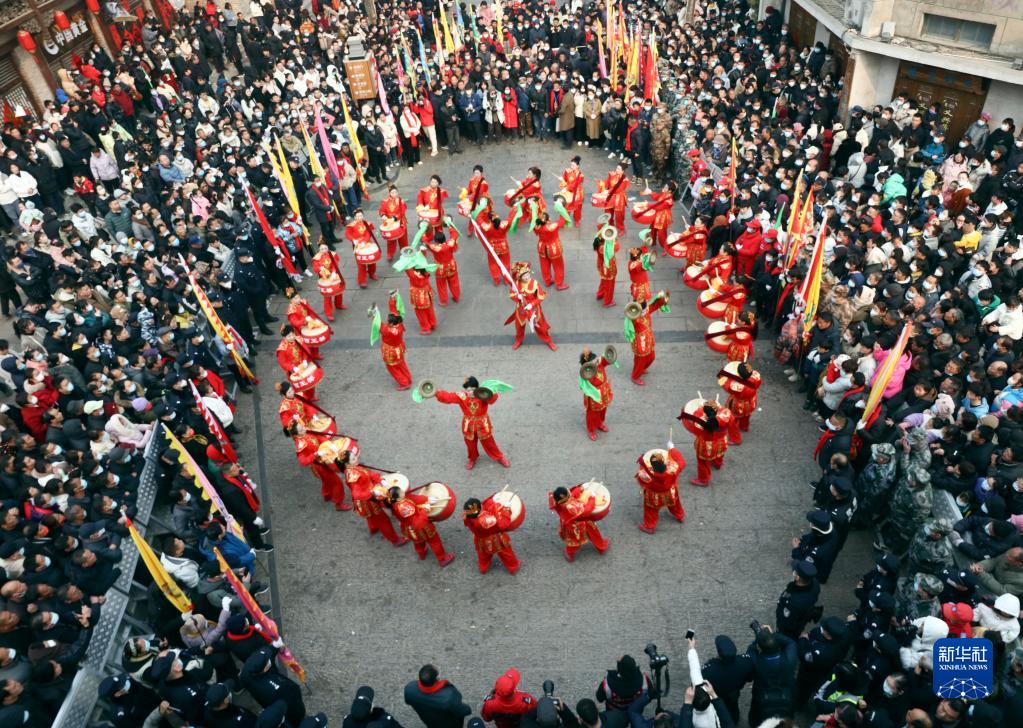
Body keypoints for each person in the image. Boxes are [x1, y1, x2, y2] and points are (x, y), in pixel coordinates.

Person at [433, 377, 510, 469]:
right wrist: (436, 393)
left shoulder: (482, 394)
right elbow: (448, 397)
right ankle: (472, 458)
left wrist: (491, 392)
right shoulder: (462, 396)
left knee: (489, 443)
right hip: (468, 426)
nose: (470, 392)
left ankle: (499, 457)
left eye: (473, 389)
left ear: (477, 388)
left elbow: (492, 400)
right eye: (468, 390)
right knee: (470, 444)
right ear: (465, 390)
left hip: (483, 425)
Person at [387, 486, 455, 567]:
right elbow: (417, 522)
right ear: (397, 497)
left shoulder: (395, 503)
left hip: (409, 529)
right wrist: (425, 510)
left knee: (418, 542)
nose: (403, 492)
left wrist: (423, 505)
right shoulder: (404, 507)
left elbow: (413, 510)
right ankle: (442, 559)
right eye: (401, 492)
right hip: (420, 529)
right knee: (434, 541)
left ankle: (421, 553)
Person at [634, 442, 686, 533]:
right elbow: (682, 462)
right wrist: (672, 449)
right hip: (670, 492)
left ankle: (649, 526)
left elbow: (641, 480)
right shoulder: (672, 469)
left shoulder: (646, 475)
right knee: (675, 504)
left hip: (654, 496)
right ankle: (679, 515)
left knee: (651, 511)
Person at [549, 485, 610, 562]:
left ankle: (601, 546)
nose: (569, 492)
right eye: (567, 492)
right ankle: (600, 546)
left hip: (570, 522)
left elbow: (572, 496)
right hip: (577, 526)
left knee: (579, 539)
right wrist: (592, 498)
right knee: (580, 540)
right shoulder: (571, 507)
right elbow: (587, 510)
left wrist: (579, 489)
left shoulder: (558, 500)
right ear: (564, 496)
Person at [462, 497, 521, 575]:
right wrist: (506, 509)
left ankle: (483, 568)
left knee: (483, 555)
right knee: (506, 553)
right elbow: (502, 524)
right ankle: (513, 567)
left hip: (480, 539)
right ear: (481, 508)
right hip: (495, 539)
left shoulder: (468, 515)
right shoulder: (487, 521)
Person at [680, 401, 732, 487]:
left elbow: (695, 418)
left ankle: (703, 479)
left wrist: (700, 409)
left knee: (703, 462)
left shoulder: (701, 421)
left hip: (708, 445)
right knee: (720, 454)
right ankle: (718, 464)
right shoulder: (726, 413)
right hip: (722, 440)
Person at [404, 664, 472, 728]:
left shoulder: (409, 689)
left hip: (430, 721)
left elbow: (408, 701)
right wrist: (468, 709)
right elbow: (462, 710)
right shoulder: (449, 696)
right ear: (437, 678)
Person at [507, 262, 556, 351]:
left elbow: (541, 296)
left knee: (540, 325)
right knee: (519, 326)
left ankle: (549, 341)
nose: (526, 277)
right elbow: (512, 294)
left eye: (527, 274)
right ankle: (518, 340)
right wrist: (517, 297)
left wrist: (532, 304)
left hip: (533, 309)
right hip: (521, 308)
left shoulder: (535, 283)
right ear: (520, 277)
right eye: (524, 276)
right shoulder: (517, 284)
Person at [627, 291, 669, 385]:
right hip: (640, 341)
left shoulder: (646, 309)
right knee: (640, 359)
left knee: (651, 357)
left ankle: (641, 368)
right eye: (639, 300)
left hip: (648, 338)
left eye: (642, 299)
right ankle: (635, 376)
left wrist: (663, 299)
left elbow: (654, 305)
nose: (641, 300)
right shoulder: (633, 316)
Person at [775, 559, 822, 640]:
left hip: (790, 628)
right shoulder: (815, 583)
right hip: (803, 613)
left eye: (794, 571)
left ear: (797, 577)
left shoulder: (793, 603)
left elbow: (788, 623)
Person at [719, 361, 761, 445]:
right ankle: (744, 426)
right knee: (746, 415)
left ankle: (736, 439)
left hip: (738, 405)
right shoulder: (756, 375)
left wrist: (722, 376)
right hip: (751, 401)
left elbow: (724, 385)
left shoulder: (737, 386)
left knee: (732, 420)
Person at [378, 293, 412, 390]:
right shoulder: (399, 324)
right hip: (399, 348)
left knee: (393, 368)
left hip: (391, 352)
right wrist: (392, 299)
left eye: (388, 321)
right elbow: (394, 310)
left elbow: (379, 325)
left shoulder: (388, 331)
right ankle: (408, 378)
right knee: (401, 363)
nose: (387, 321)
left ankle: (404, 383)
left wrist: (375, 315)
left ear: (392, 323)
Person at [579, 347, 614, 440]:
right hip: (594, 396)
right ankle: (591, 430)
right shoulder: (587, 374)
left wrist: (607, 356)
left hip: (604, 392)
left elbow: (607, 360)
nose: (597, 361)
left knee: (603, 410)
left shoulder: (599, 364)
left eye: (596, 359)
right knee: (592, 414)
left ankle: (599, 423)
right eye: (594, 361)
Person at [533, 209, 571, 291]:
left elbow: (536, 231)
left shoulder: (537, 227)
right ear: (547, 221)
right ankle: (559, 284)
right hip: (553, 248)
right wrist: (564, 210)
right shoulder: (552, 227)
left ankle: (547, 281)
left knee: (544, 265)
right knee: (558, 266)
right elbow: (562, 220)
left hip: (542, 247)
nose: (550, 219)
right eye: (549, 218)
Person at [427, 220, 462, 306]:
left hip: (440, 268)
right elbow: (455, 234)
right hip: (451, 266)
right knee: (454, 282)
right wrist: (449, 226)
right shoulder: (450, 244)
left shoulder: (434, 247)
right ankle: (456, 296)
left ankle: (443, 301)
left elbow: (425, 242)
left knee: (441, 285)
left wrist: (424, 231)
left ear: (436, 241)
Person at [311, 241, 347, 321]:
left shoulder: (332, 254)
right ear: (319, 249)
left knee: (339, 290)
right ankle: (328, 313)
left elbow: (335, 263)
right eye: (322, 249)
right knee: (327, 296)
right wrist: (320, 268)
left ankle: (339, 304)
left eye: (325, 248)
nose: (324, 250)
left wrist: (334, 272)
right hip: (324, 277)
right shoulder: (316, 258)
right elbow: (315, 268)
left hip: (333, 274)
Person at [345, 209, 380, 288]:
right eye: (357, 216)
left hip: (367, 243)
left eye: (361, 216)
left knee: (371, 260)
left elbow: (368, 234)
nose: (359, 217)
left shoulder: (367, 224)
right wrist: (353, 240)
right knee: (361, 264)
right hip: (357, 246)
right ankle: (362, 280)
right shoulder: (351, 225)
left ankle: (372, 273)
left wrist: (364, 241)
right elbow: (348, 234)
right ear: (354, 217)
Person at [378, 185, 409, 261]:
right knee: (390, 240)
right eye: (392, 192)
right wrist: (383, 215)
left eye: (395, 192)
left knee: (403, 239)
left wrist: (395, 218)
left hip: (400, 221)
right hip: (390, 223)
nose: (394, 194)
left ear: (398, 192)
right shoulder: (385, 202)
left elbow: (402, 212)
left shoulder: (401, 201)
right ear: (389, 193)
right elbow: (381, 210)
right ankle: (390, 254)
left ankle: (404, 251)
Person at [599, 161, 630, 234]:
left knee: (619, 215)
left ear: (623, 171)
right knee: (608, 212)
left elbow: (618, 189)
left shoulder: (625, 179)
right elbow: (607, 182)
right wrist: (603, 185)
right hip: (610, 197)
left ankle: (621, 228)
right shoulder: (612, 174)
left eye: (619, 169)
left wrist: (608, 191)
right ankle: (610, 225)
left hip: (619, 198)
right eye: (617, 168)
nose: (617, 170)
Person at [406, 265, 438, 335]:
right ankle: (433, 323)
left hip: (418, 295)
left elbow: (406, 267)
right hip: (427, 293)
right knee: (430, 309)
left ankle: (426, 328)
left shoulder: (413, 274)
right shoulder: (426, 272)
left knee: (421, 313)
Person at [593, 232, 619, 307]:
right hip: (608, 268)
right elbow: (617, 246)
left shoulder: (599, 246)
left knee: (603, 281)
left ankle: (600, 294)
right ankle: (607, 301)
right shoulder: (604, 248)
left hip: (601, 265)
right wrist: (614, 239)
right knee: (610, 285)